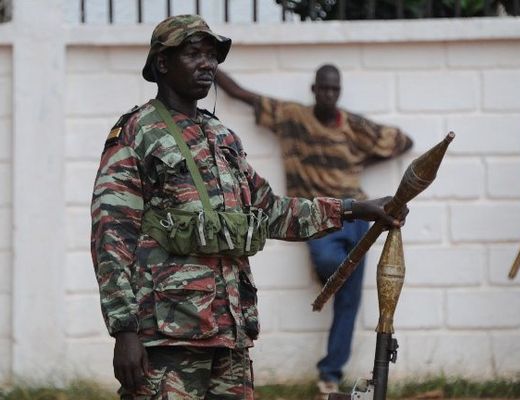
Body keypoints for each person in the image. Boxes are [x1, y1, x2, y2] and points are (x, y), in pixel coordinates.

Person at [90, 14, 407, 400]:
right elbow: (112, 235)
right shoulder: (137, 132)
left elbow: (273, 211)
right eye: (194, 54)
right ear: (162, 63)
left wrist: (355, 209)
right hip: (167, 340)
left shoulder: (222, 137)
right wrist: (124, 330)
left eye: (212, 56)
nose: (207, 64)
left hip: (230, 335)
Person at [215, 64, 413, 396]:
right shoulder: (291, 117)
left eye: (335, 90)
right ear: (314, 89)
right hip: (320, 217)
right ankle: (330, 281)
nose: (329, 95)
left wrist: (358, 162)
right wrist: (210, 62)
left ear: (339, 92)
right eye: (324, 88)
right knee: (327, 263)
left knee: (348, 304)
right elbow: (240, 94)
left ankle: (330, 375)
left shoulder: (352, 124)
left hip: (361, 215)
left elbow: (404, 142)